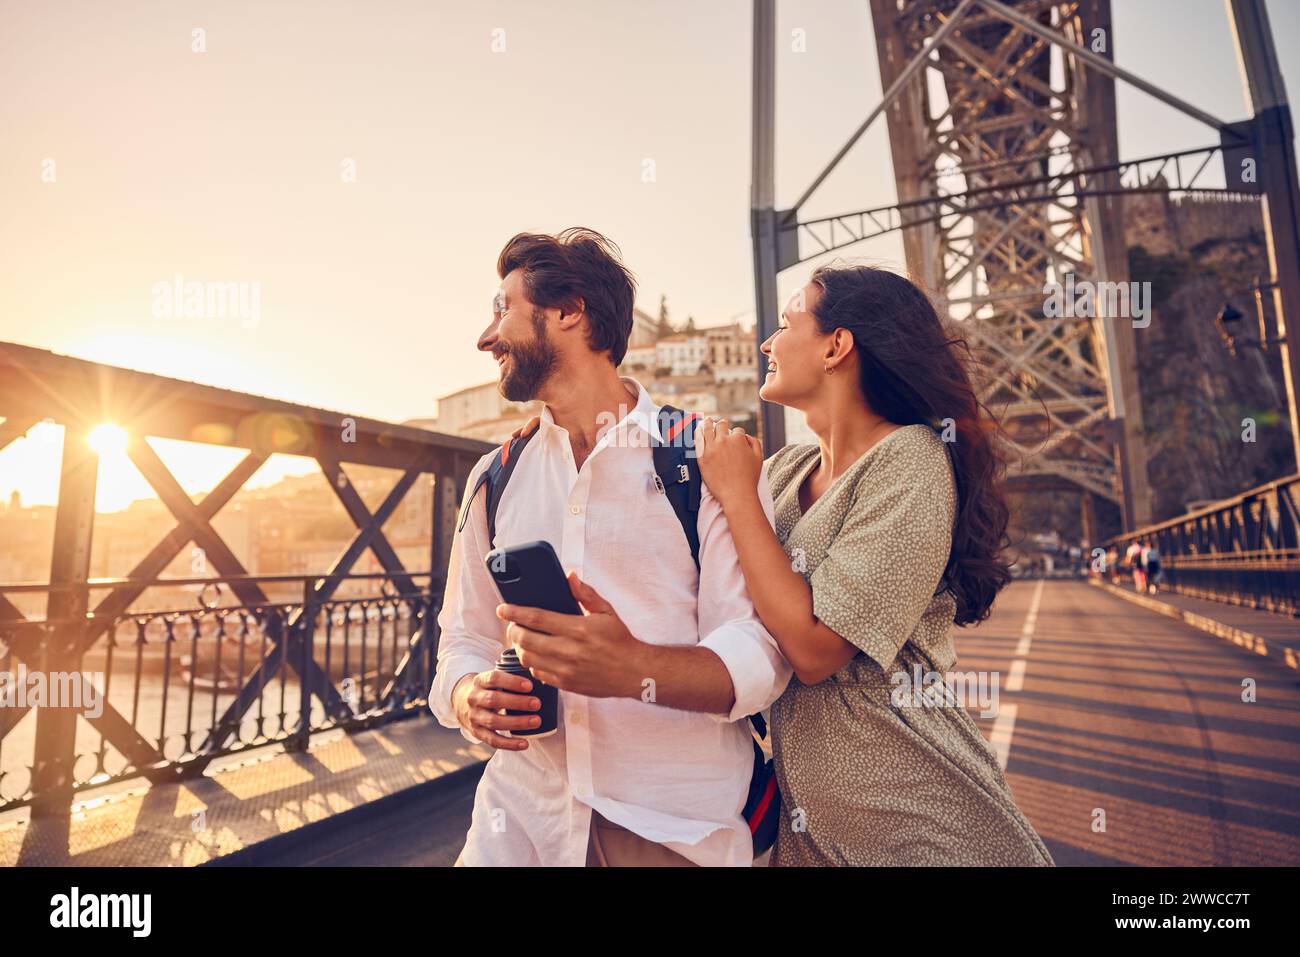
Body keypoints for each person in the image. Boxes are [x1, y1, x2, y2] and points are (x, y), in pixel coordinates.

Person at [430, 228, 791, 867]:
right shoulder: (495, 477)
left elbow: (760, 651)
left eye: (502, 309)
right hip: (518, 828)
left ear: (569, 311)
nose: (486, 338)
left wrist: (634, 670)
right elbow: (462, 639)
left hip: (672, 831)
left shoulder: (702, 460)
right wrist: (470, 697)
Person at [695, 264, 1054, 866]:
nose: (766, 344)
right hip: (811, 837)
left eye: (787, 324)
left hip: (921, 827)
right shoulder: (783, 475)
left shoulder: (910, 460)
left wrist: (737, 496)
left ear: (836, 346)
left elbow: (813, 650)